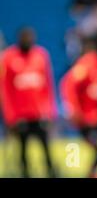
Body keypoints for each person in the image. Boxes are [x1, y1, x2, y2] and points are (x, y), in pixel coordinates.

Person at [0, 27, 57, 178]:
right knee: (22, 149)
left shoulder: (41, 55)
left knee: (45, 147)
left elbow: (48, 86)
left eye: (30, 37)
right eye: (25, 37)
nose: (28, 40)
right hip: (20, 116)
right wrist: (11, 116)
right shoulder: (8, 57)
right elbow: (5, 90)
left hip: (39, 114)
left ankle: (52, 172)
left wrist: (50, 112)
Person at [60, 33, 97, 178]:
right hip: (84, 118)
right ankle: (92, 172)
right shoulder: (88, 62)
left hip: (95, 116)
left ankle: (93, 171)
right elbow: (68, 83)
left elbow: (92, 90)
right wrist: (72, 109)